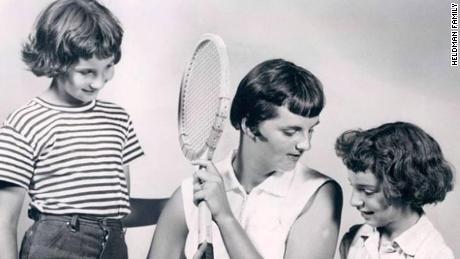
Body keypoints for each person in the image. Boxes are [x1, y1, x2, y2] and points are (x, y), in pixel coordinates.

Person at [148, 59, 343, 259]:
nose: (305, 144)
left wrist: (225, 218)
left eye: (311, 130)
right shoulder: (190, 193)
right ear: (249, 126)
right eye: (290, 131)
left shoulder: (318, 193)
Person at [0, 0, 144, 258]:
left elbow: (120, 209)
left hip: (114, 245)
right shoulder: (24, 122)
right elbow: (3, 222)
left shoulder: (118, 119)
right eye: (87, 72)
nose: (99, 82)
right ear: (56, 60)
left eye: (108, 67)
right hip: (55, 246)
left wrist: (180, 202)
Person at [335, 122, 454, 259]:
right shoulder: (353, 239)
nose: (354, 201)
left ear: (405, 187)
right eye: (353, 187)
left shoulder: (434, 254)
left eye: (368, 191)